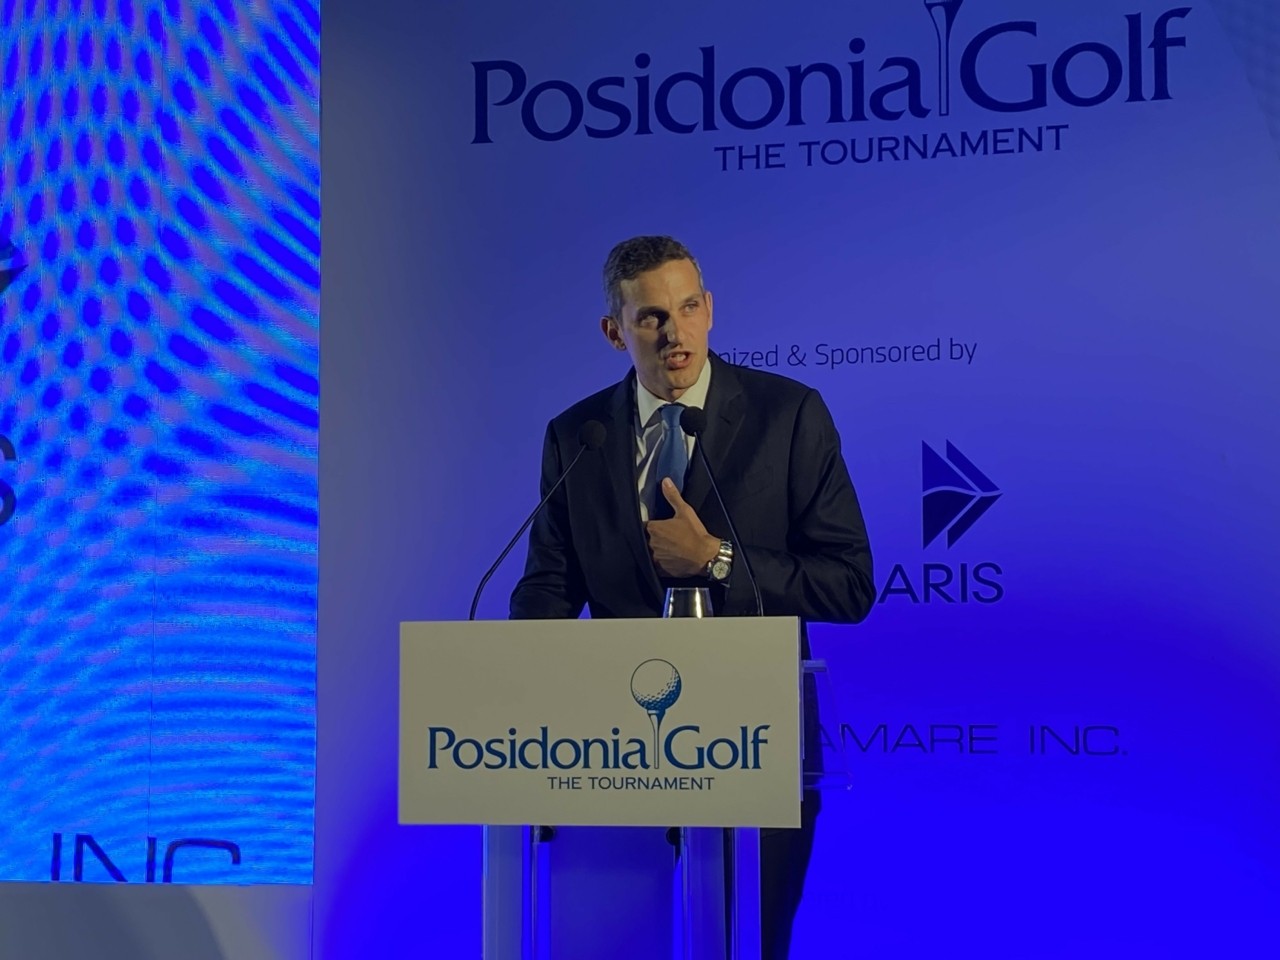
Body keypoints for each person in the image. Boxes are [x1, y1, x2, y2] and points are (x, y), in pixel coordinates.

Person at [510, 235, 874, 958]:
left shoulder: (788, 416)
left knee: (748, 945)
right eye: (650, 317)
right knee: (614, 945)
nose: (674, 333)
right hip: (608, 751)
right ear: (615, 331)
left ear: (709, 310)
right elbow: (549, 585)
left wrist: (717, 559)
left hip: (755, 742)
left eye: (687, 309)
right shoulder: (578, 436)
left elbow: (849, 583)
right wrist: (515, 693)